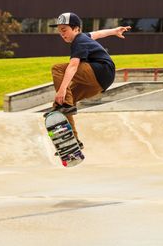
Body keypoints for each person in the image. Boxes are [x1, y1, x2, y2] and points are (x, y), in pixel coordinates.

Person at [45, 12, 131, 150]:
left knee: (57, 69)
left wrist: (61, 90)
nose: (62, 34)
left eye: (64, 30)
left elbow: (73, 67)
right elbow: (98, 33)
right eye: (59, 31)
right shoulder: (84, 37)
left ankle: (66, 105)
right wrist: (114, 31)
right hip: (102, 82)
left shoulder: (78, 41)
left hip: (100, 70)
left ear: (76, 29)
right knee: (65, 101)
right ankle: (73, 141)